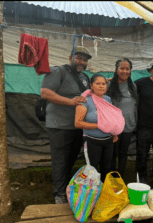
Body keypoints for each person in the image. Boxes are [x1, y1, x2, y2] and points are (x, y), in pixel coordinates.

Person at [40, 46, 91, 204]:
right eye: (79, 58)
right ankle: (60, 194)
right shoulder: (58, 72)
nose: (81, 62)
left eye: (84, 59)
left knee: (71, 158)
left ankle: (66, 188)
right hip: (59, 125)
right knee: (60, 159)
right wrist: (70, 101)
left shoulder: (85, 77)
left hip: (77, 126)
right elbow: (45, 92)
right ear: (71, 57)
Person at [75, 74, 118, 183]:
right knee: (91, 171)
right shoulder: (85, 100)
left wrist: (114, 133)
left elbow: (111, 119)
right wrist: (99, 125)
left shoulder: (108, 99)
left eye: (103, 84)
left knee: (106, 169)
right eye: (97, 84)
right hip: (92, 141)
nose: (101, 86)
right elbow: (78, 123)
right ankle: (91, 194)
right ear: (91, 86)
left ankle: (103, 192)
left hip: (108, 141)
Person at [106, 58, 138, 178]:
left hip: (128, 125)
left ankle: (121, 177)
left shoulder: (132, 86)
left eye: (127, 69)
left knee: (124, 152)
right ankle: (112, 177)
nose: (125, 71)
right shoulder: (110, 85)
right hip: (113, 127)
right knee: (113, 153)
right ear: (116, 70)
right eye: (122, 68)